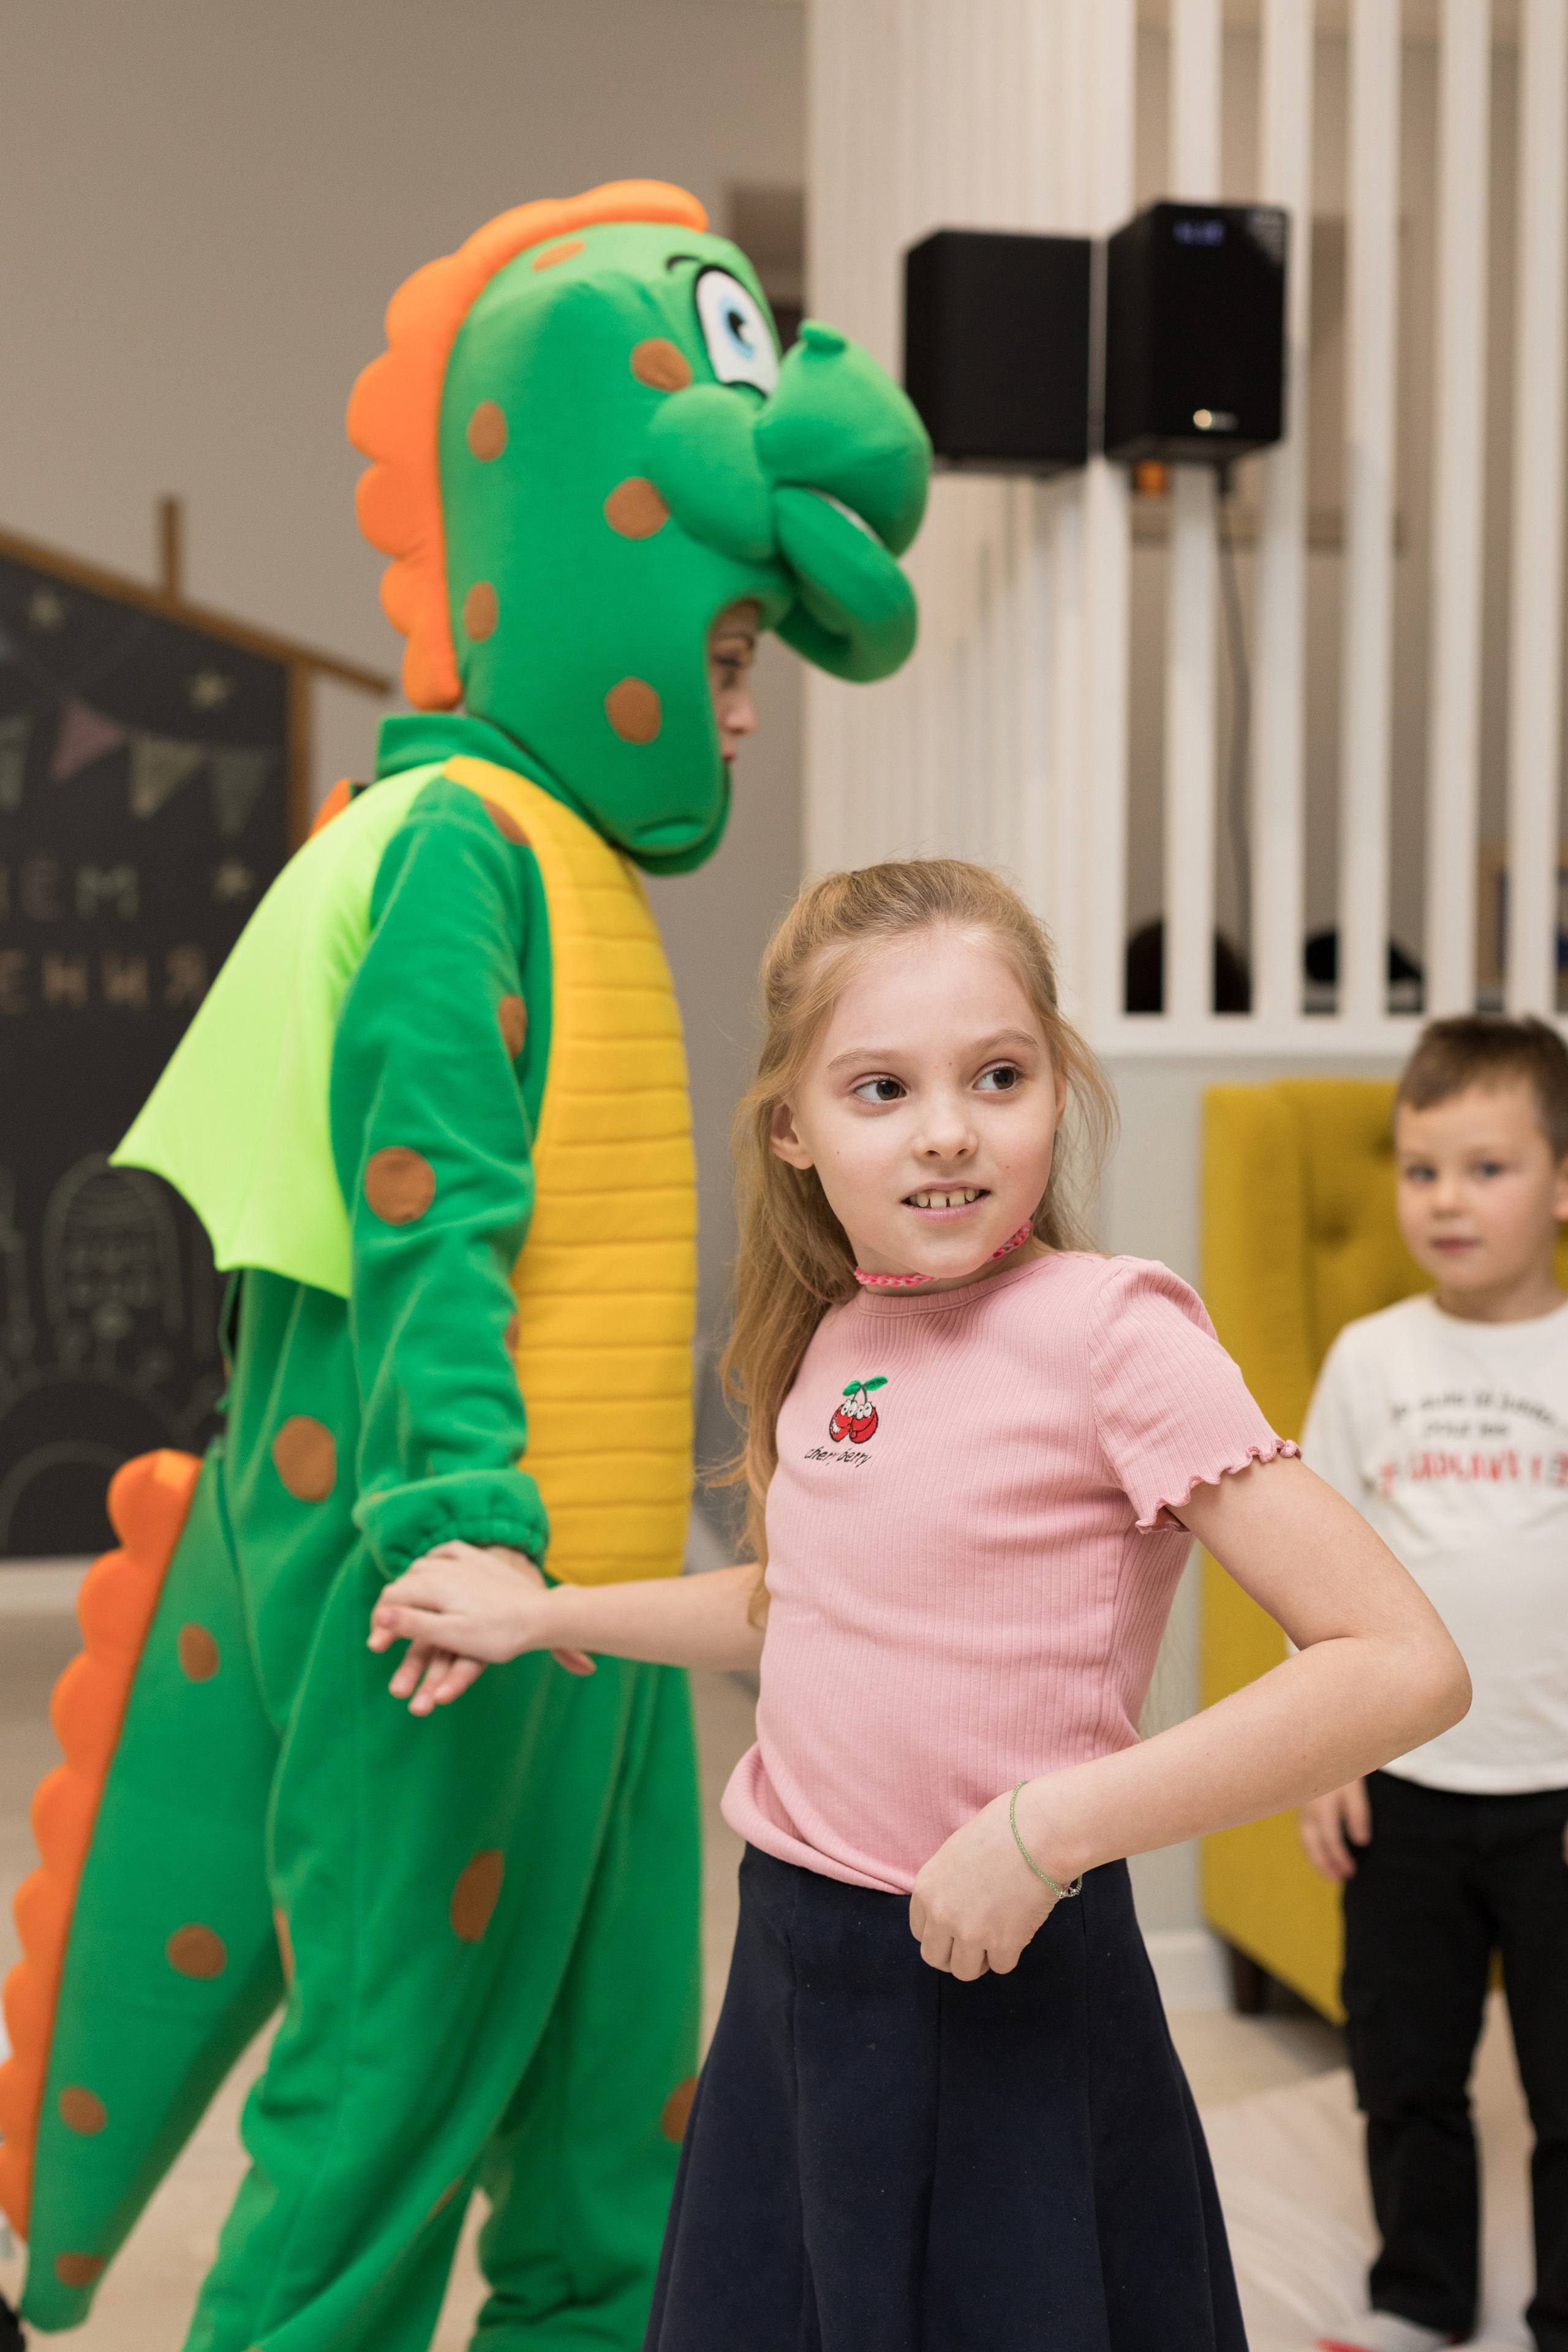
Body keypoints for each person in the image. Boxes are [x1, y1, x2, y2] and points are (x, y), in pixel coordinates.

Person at [0, 181, 932, 2352]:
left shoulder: (572, 863)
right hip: (454, 1593)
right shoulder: (450, 847)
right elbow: (431, 1208)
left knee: (616, 2122)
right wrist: (455, 1522)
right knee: (387, 2106)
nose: (744, 713)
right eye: (727, 659)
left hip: (591, 1606)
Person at [369, 858, 1469, 2352]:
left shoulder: (1113, 1332)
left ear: (1056, 1086)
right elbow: (804, 1608)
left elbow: (1397, 1662)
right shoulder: (837, 1334)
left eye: (997, 1076)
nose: (947, 1130)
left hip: (1003, 1966)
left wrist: (1041, 1833)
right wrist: (546, 1613)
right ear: (791, 1126)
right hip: (794, 1966)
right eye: (880, 1088)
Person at [1297, 1016, 1568, 2352]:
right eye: (1419, 1171)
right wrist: (1324, 1754)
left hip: (1555, 1793)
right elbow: (1315, 1577)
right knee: (1404, 2067)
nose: (1444, 1200)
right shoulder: (1370, 1358)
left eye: (1484, 1168)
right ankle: (1420, 2296)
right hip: (1403, 1787)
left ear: (1561, 1181)